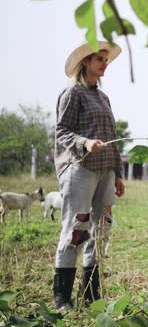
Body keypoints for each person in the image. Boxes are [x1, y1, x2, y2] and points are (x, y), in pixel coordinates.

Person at [53, 41, 125, 311]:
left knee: (102, 228)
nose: (105, 64)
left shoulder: (103, 97)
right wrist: (85, 142)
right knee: (76, 229)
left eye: (106, 60)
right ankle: (62, 299)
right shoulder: (72, 93)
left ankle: (91, 296)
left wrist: (118, 172)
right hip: (80, 170)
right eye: (99, 59)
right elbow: (62, 131)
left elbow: (112, 139)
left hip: (106, 172)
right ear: (85, 62)